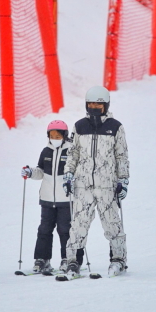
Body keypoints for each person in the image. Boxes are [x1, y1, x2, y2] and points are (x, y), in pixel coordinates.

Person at [61, 86, 130, 277]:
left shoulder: (115, 127)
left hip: (107, 185)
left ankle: (118, 259)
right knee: (78, 225)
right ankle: (73, 261)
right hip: (83, 185)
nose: (94, 107)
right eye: (91, 104)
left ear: (105, 105)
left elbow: (121, 156)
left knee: (112, 224)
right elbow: (73, 153)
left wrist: (123, 181)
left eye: (98, 104)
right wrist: (68, 175)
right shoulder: (80, 126)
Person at [20, 120, 82, 274]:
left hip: (66, 199)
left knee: (65, 230)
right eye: (51, 135)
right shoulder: (46, 151)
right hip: (47, 198)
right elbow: (41, 171)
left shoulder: (72, 151)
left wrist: (73, 181)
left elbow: (78, 172)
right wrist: (30, 172)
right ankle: (42, 259)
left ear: (65, 135)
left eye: (57, 135)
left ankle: (67, 259)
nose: (54, 138)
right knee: (44, 229)